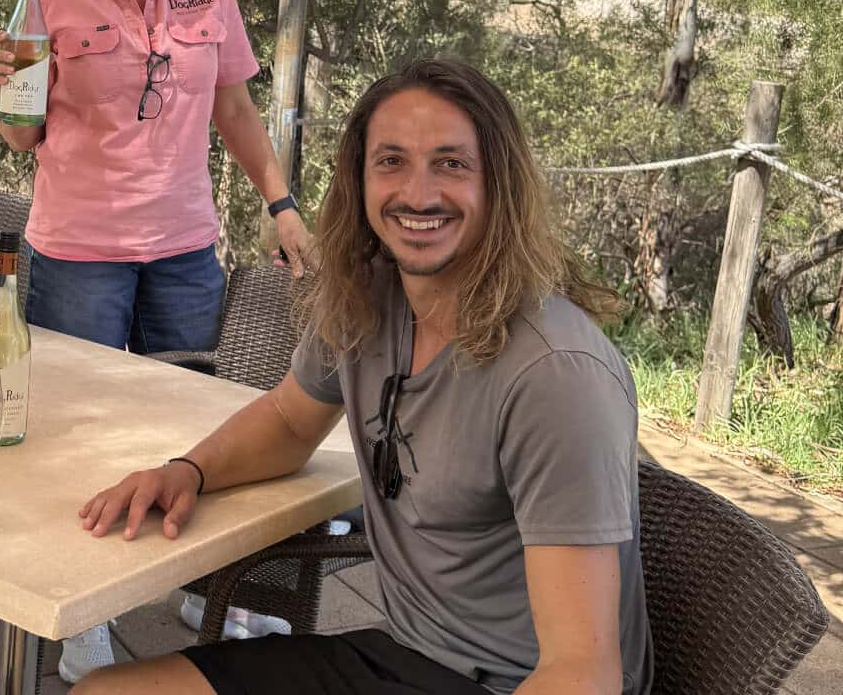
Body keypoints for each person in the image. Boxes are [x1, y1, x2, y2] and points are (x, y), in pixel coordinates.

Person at [71, 58, 653, 695]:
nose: (419, 193)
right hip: (402, 654)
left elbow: (583, 674)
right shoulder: (369, 300)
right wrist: (188, 471)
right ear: (359, 179)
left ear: (499, 185)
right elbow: (290, 420)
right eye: (392, 161)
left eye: (452, 164)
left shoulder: (556, 376)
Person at [0, 0, 317, 681]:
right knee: (75, 437)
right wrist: (9, 91)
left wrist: (281, 204)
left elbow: (235, 110)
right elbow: (22, 140)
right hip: (79, 252)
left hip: (182, 250)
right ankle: (78, 616)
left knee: (195, 428)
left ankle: (209, 587)